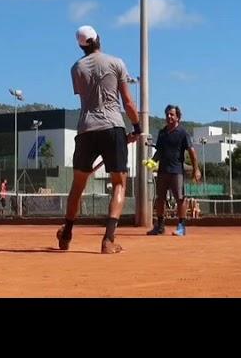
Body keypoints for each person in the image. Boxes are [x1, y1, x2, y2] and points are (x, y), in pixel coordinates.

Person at [56, 25, 140, 254]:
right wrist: (137, 127)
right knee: (119, 183)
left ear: (80, 45)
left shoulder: (75, 68)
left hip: (85, 129)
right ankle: (108, 240)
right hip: (113, 126)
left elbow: (86, 96)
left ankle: (67, 232)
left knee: (78, 185)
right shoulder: (116, 63)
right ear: (98, 39)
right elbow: (128, 103)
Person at [146, 105, 201, 236]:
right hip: (162, 171)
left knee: (180, 199)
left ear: (178, 117)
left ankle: (181, 227)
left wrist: (196, 169)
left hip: (177, 172)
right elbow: (159, 151)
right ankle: (159, 227)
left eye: (171, 114)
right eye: (167, 114)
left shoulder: (183, 133)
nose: (169, 116)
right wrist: (152, 161)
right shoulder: (162, 133)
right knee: (160, 199)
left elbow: (192, 152)